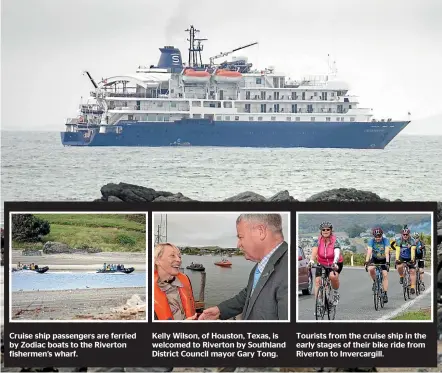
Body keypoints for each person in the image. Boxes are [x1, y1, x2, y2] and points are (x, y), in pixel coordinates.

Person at [199, 213, 288, 321]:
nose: (238, 244)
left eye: (241, 237)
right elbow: (249, 294)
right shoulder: (261, 265)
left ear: (261, 231)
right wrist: (220, 310)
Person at [154, 242, 197, 320]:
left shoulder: (184, 280)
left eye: (179, 256)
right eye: (172, 255)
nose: (179, 260)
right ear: (157, 260)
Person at [308, 221, 344, 306]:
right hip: (322, 263)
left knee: (332, 276)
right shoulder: (318, 240)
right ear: (321, 231)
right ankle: (318, 303)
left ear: (331, 230)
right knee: (317, 281)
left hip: (335, 262)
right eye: (323, 229)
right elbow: (314, 251)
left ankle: (335, 293)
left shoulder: (335, 240)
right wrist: (312, 261)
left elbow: (337, 252)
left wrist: (335, 262)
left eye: (328, 229)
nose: (325, 231)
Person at [364, 227, 390, 303]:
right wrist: (366, 261)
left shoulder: (385, 241)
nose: (378, 238)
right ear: (374, 236)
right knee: (370, 269)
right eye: (376, 236)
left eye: (379, 236)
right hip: (375, 258)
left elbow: (387, 252)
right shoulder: (371, 241)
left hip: (384, 258)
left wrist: (387, 262)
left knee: (385, 274)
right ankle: (375, 281)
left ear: (382, 235)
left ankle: (385, 294)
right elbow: (369, 252)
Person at [392, 226, 416, 294]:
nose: (405, 235)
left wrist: (412, 259)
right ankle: (401, 276)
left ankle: (412, 287)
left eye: (407, 234)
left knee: (412, 271)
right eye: (404, 234)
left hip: (410, 256)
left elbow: (413, 250)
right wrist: (397, 259)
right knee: (399, 266)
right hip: (402, 256)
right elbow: (397, 250)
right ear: (402, 234)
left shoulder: (412, 240)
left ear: (409, 234)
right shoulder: (399, 240)